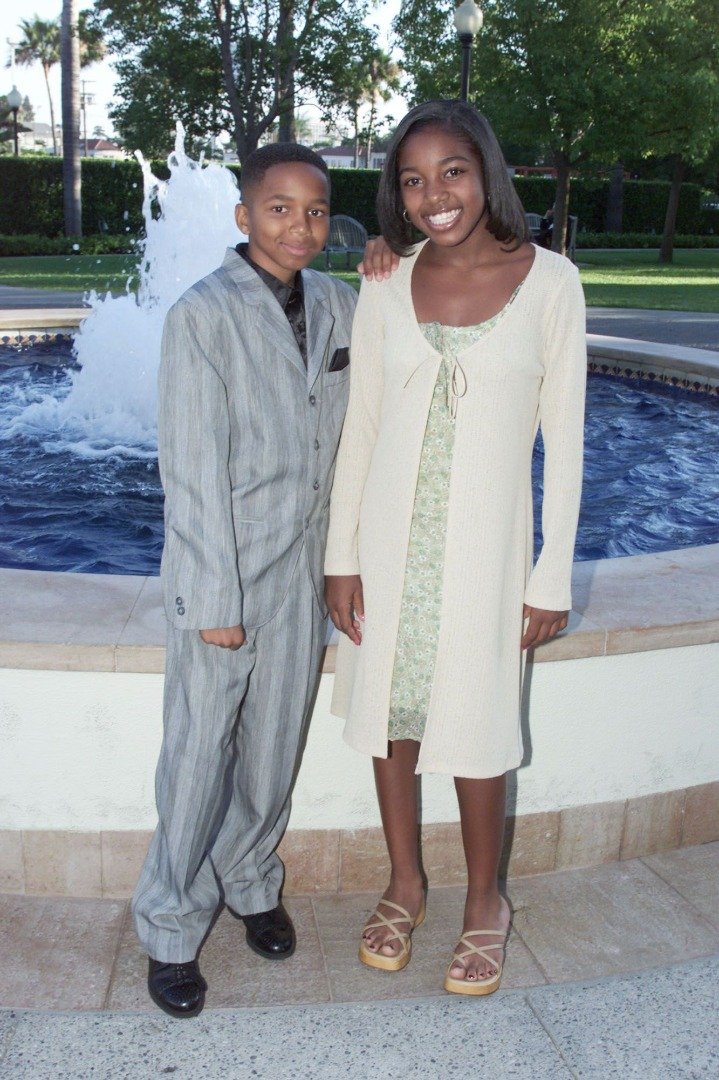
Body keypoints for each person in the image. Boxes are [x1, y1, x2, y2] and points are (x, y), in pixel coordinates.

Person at [325, 100, 586, 997]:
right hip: (388, 547)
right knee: (391, 713)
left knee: (478, 728)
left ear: (486, 173)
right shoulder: (385, 281)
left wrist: (549, 571)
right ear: (397, 195)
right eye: (412, 178)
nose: (434, 194)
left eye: (452, 171)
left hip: (486, 555)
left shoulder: (550, 282)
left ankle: (486, 899)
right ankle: (405, 881)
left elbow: (569, 441)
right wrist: (340, 557)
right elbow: (359, 427)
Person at [133, 143, 357, 1018]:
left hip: (305, 577)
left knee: (273, 748)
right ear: (243, 216)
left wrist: (390, 257)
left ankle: (251, 881)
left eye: (313, 211)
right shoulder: (202, 316)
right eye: (278, 208)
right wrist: (212, 602)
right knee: (197, 758)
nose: (297, 225)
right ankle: (168, 923)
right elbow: (188, 472)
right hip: (223, 577)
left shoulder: (343, 305)